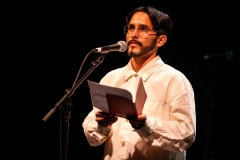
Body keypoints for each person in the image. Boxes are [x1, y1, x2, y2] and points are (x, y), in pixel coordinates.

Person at [82, 6, 196, 160]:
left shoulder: (175, 80)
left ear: (161, 40)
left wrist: (146, 125)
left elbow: (186, 134)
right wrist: (101, 125)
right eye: (131, 28)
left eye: (143, 29)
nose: (134, 34)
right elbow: (92, 138)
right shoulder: (111, 78)